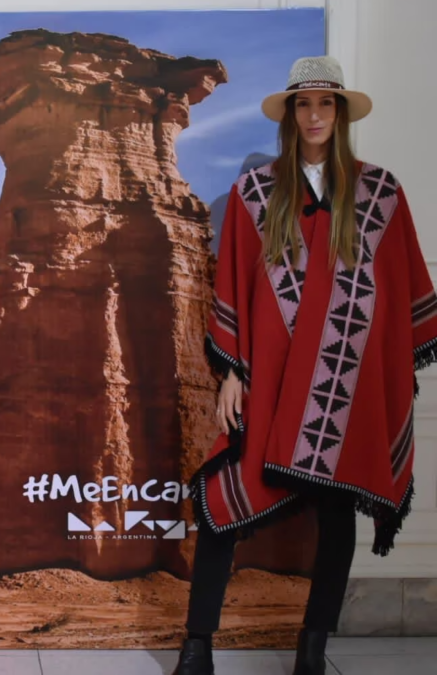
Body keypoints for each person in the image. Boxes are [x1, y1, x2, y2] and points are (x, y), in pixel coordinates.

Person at [172, 56, 437, 675]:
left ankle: (313, 649)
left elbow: (401, 287)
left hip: (346, 383)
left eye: (326, 103)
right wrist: (233, 371)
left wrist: (385, 374)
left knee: (337, 513)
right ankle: (196, 646)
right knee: (223, 501)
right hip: (271, 379)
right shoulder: (256, 193)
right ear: (290, 114)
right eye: (303, 104)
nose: (315, 115)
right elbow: (236, 287)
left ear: (340, 114)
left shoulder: (380, 194)